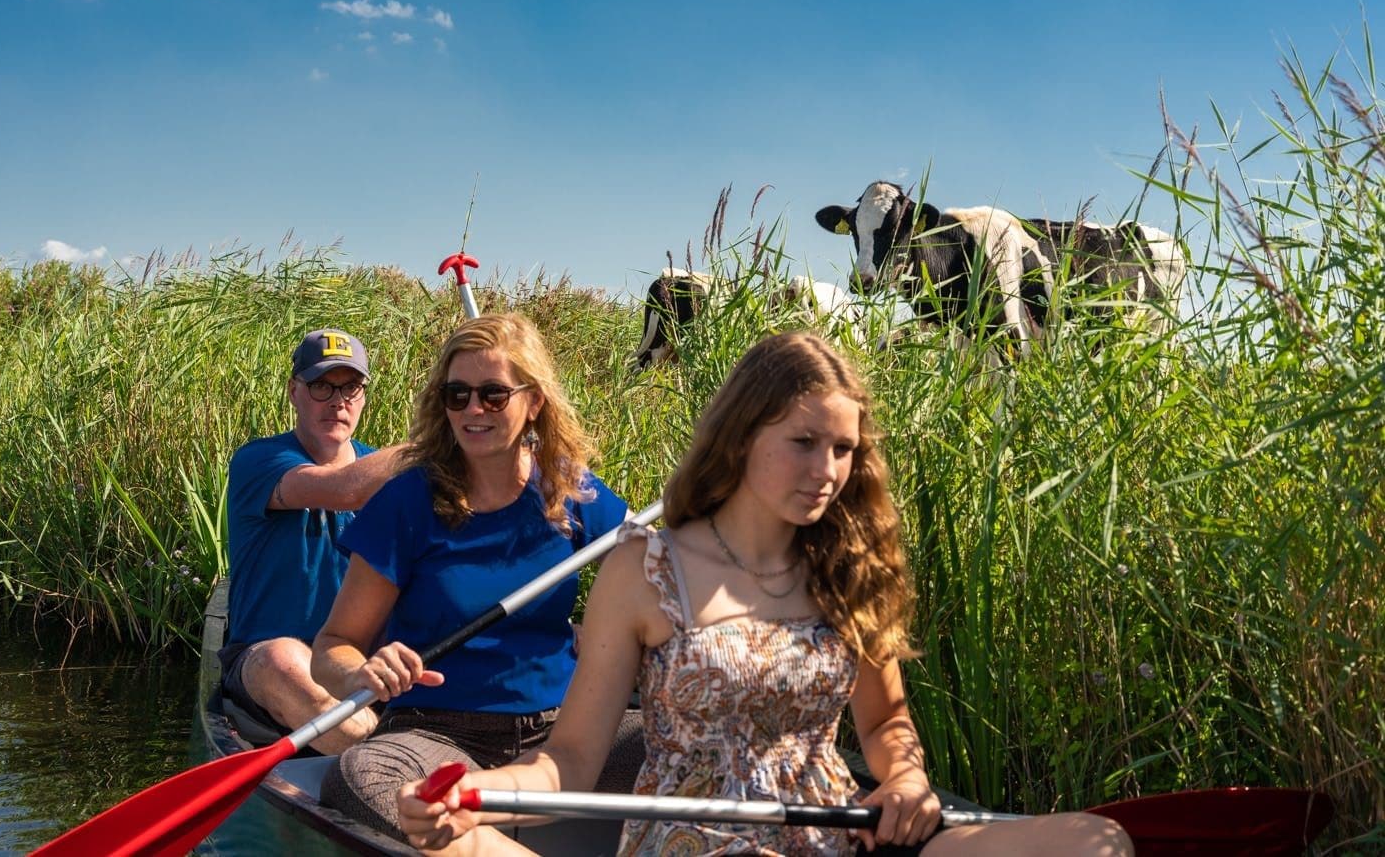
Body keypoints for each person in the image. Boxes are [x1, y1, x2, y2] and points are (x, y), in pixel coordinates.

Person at [395, 331, 1134, 856]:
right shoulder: (644, 569)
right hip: (699, 839)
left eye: (844, 449)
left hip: (837, 831)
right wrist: (476, 794)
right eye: (804, 442)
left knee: (1096, 840)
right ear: (744, 435)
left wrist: (906, 778)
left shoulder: (848, 565)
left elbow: (886, 726)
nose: (828, 469)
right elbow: (572, 762)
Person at [311, 313, 644, 844]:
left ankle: (481, 814)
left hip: (563, 732)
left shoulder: (572, 492)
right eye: (457, 394)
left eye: (493, 394)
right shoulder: (407, 501)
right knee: (361, 778)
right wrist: (362, 673)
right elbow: (331, 648)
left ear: (533, 401)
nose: (472, 410)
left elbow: (661, 575)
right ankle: (481, 817)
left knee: (696, 743)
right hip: (435, 735)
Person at [222, 327, 410, 754]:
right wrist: (442, 442)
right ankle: (390, 761)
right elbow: (346, 489)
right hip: (270, 657)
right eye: (322, 386)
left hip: (359, 661)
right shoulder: (259, 460)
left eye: (351, 387)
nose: (338, 401)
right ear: (294, 391)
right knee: (283, 662)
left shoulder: (385, 468)